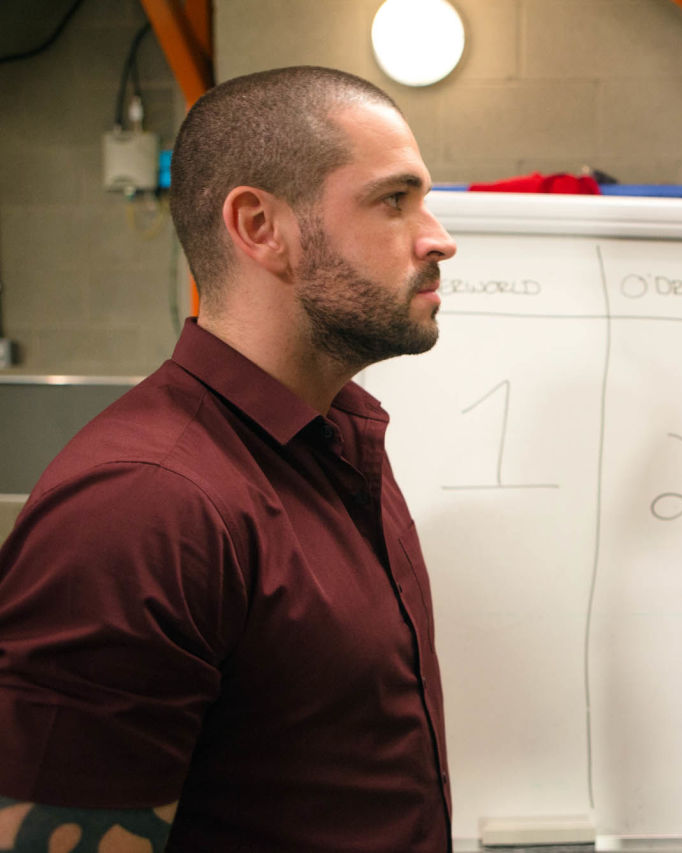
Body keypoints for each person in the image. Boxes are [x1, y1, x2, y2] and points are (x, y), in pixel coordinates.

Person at [0, 66, 457, 851]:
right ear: (259, 227)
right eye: (394, 200)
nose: (438, 237)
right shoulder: (144, 506)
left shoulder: (337, 443)